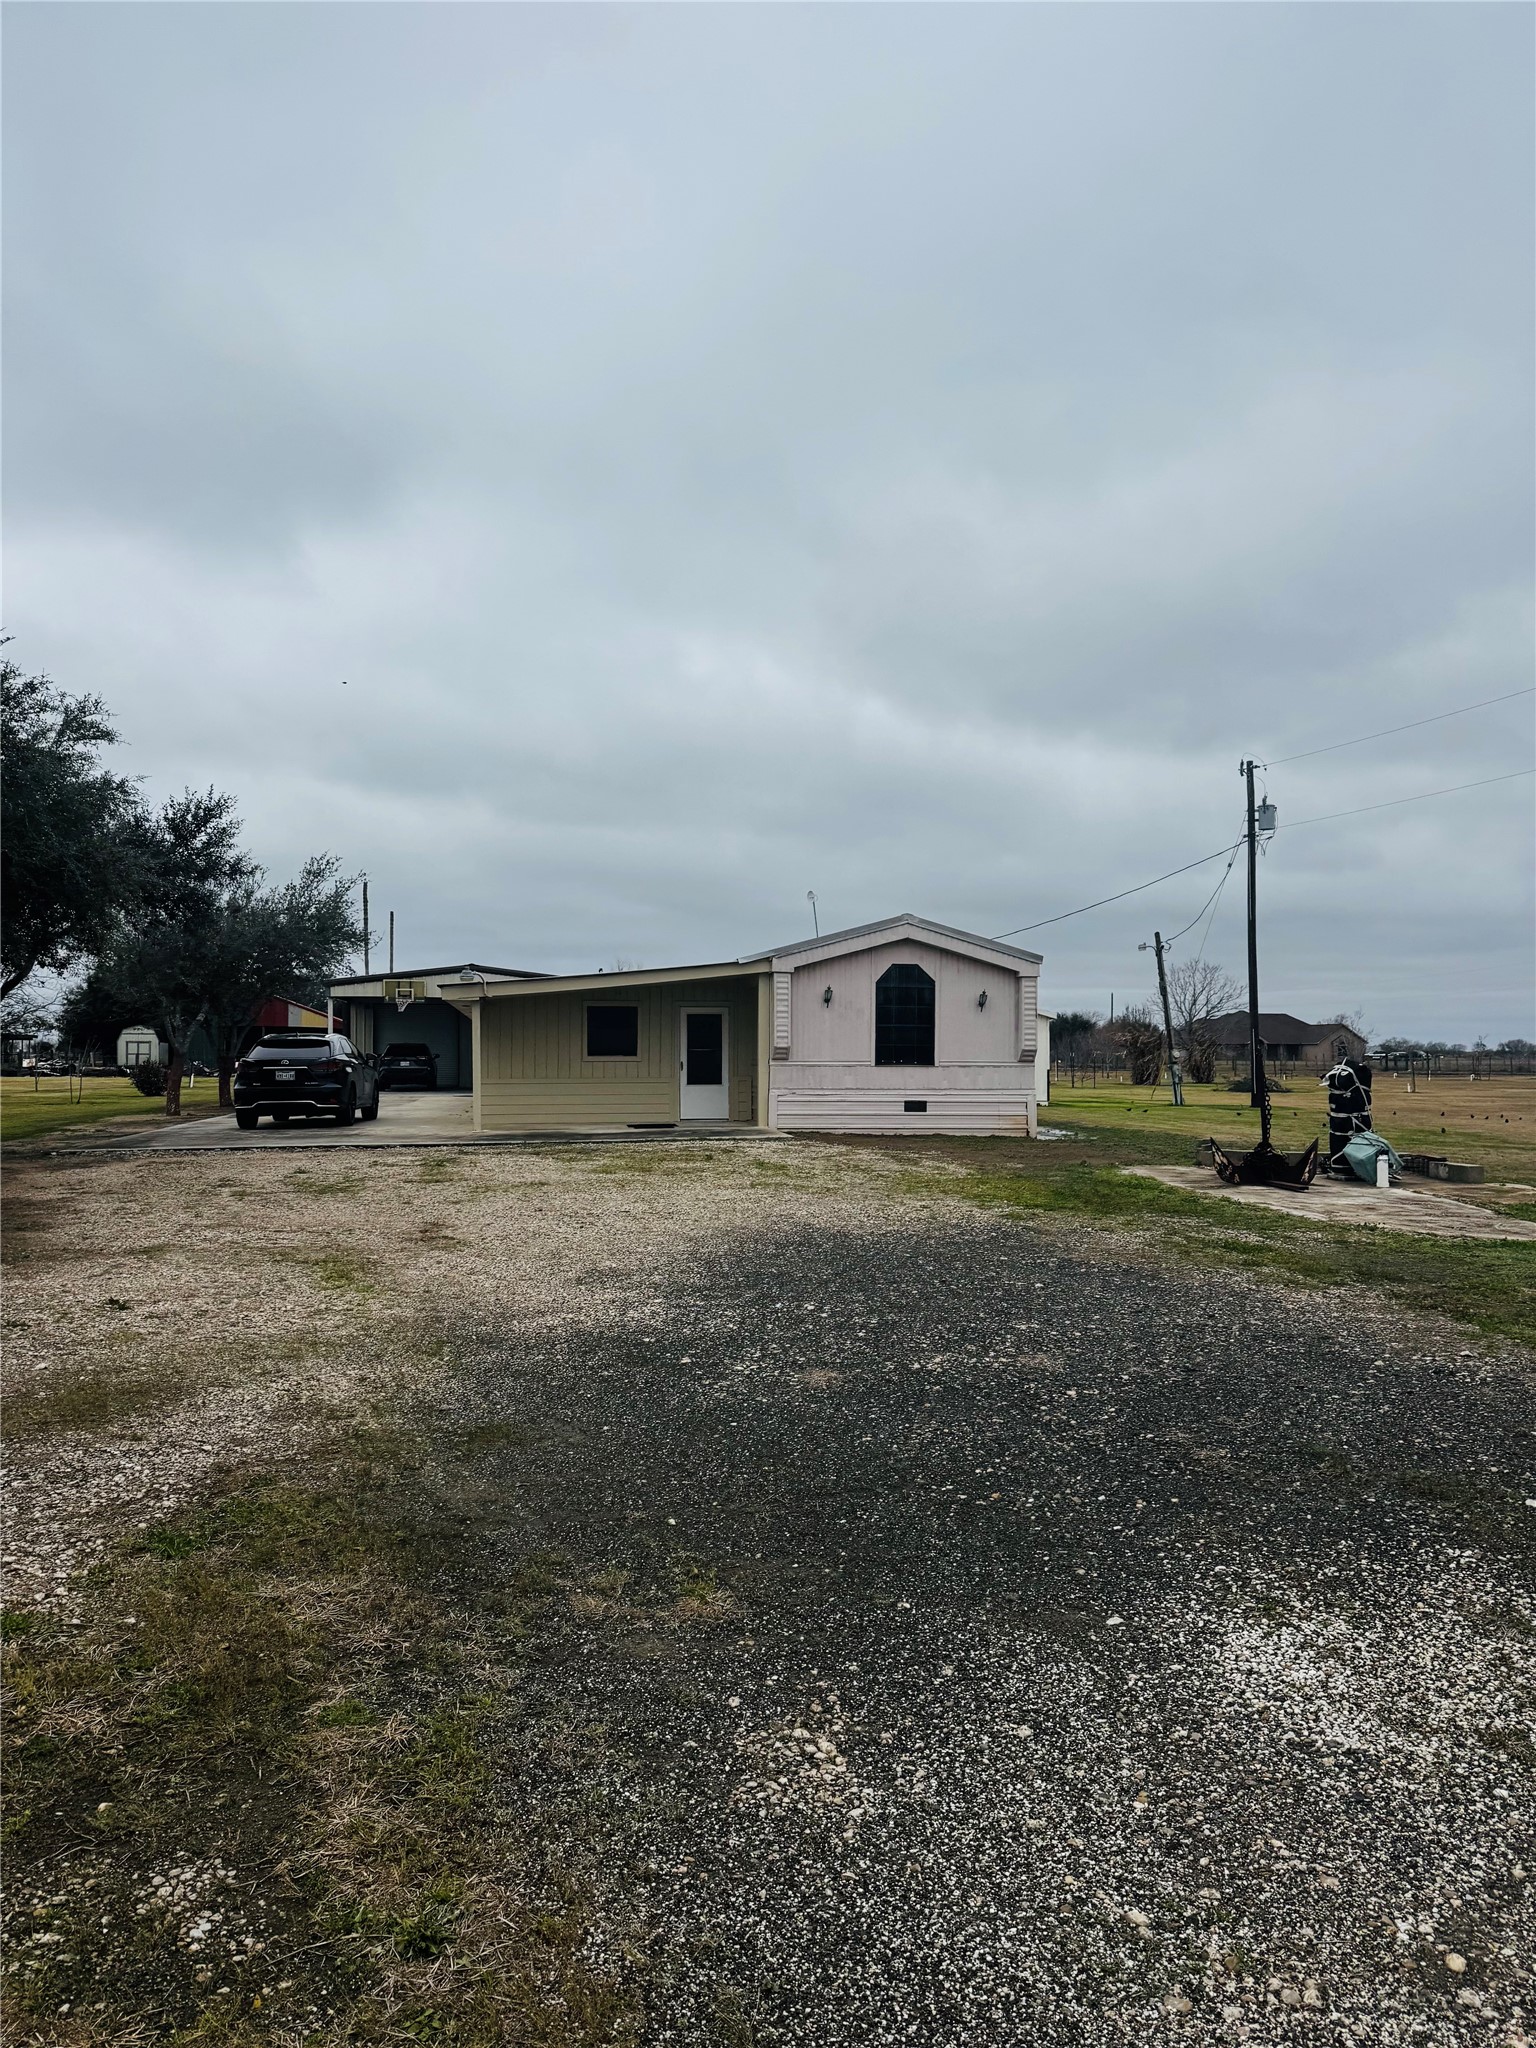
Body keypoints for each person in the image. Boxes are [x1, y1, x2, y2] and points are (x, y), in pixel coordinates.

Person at [1322, 1051, 1373, 1172]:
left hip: (1349, 1118)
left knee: (1342, 1134)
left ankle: (1342, 1164)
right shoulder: (1359, 1075)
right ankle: (1344, 1164)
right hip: (1350, 1118)